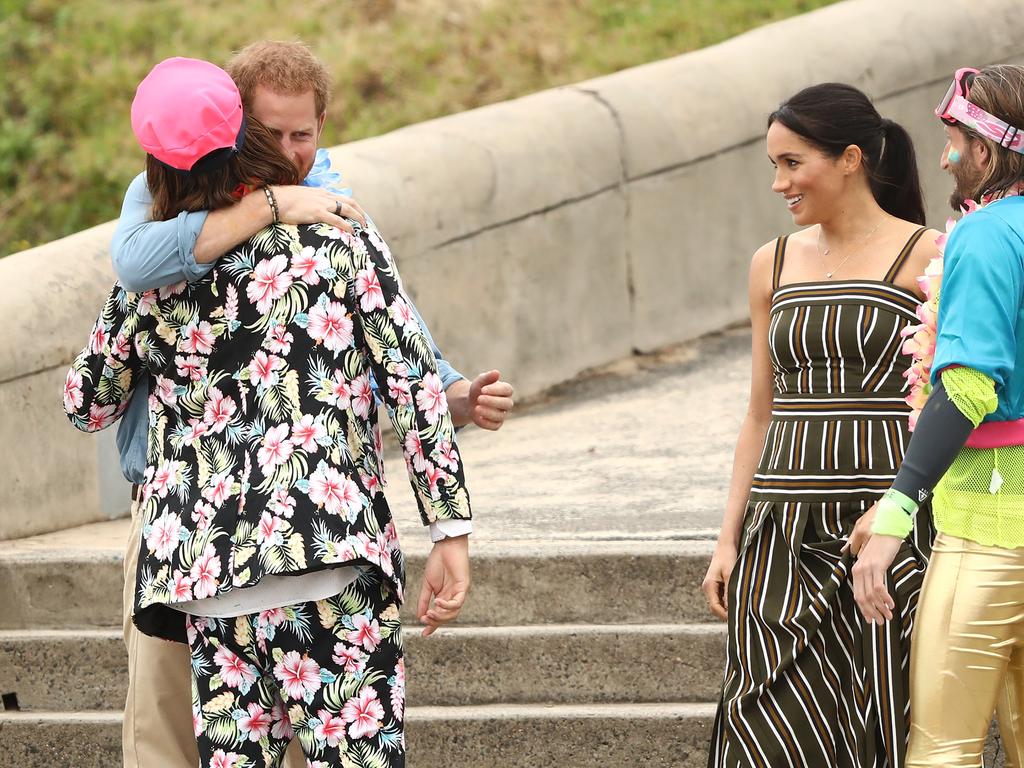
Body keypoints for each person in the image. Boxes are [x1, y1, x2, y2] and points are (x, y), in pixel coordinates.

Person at [107, 41, 514, 768]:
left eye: (305, 135)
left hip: (214, 559)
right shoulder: (170, 201)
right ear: (234, 127)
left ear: (324, 123)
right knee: (169, 734)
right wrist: (450, 528)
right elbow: (137, 265)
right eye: (273, 136)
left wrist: (448, 385)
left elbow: (400, 345)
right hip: (236, 538)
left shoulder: (326, 208)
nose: (291, 153)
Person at [702, 82, 940, 767]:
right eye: (773, 165)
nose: (779, 183)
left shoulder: (929, 256)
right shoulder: (769, 263)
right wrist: (728, 539)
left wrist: (902, 510)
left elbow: (947, 399)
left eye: (792, 162)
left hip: (881, 528)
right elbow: (759, 410)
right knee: (759, 730)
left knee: (877, 725)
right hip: (779, 528)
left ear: (851, 159)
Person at [850, 64, 1024, 767]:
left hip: (990, 533)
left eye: (953, 140)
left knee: (942, 753)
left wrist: (894, 515)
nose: (946, 157)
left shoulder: (986, 237)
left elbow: (971, 388)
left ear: (984, 151)